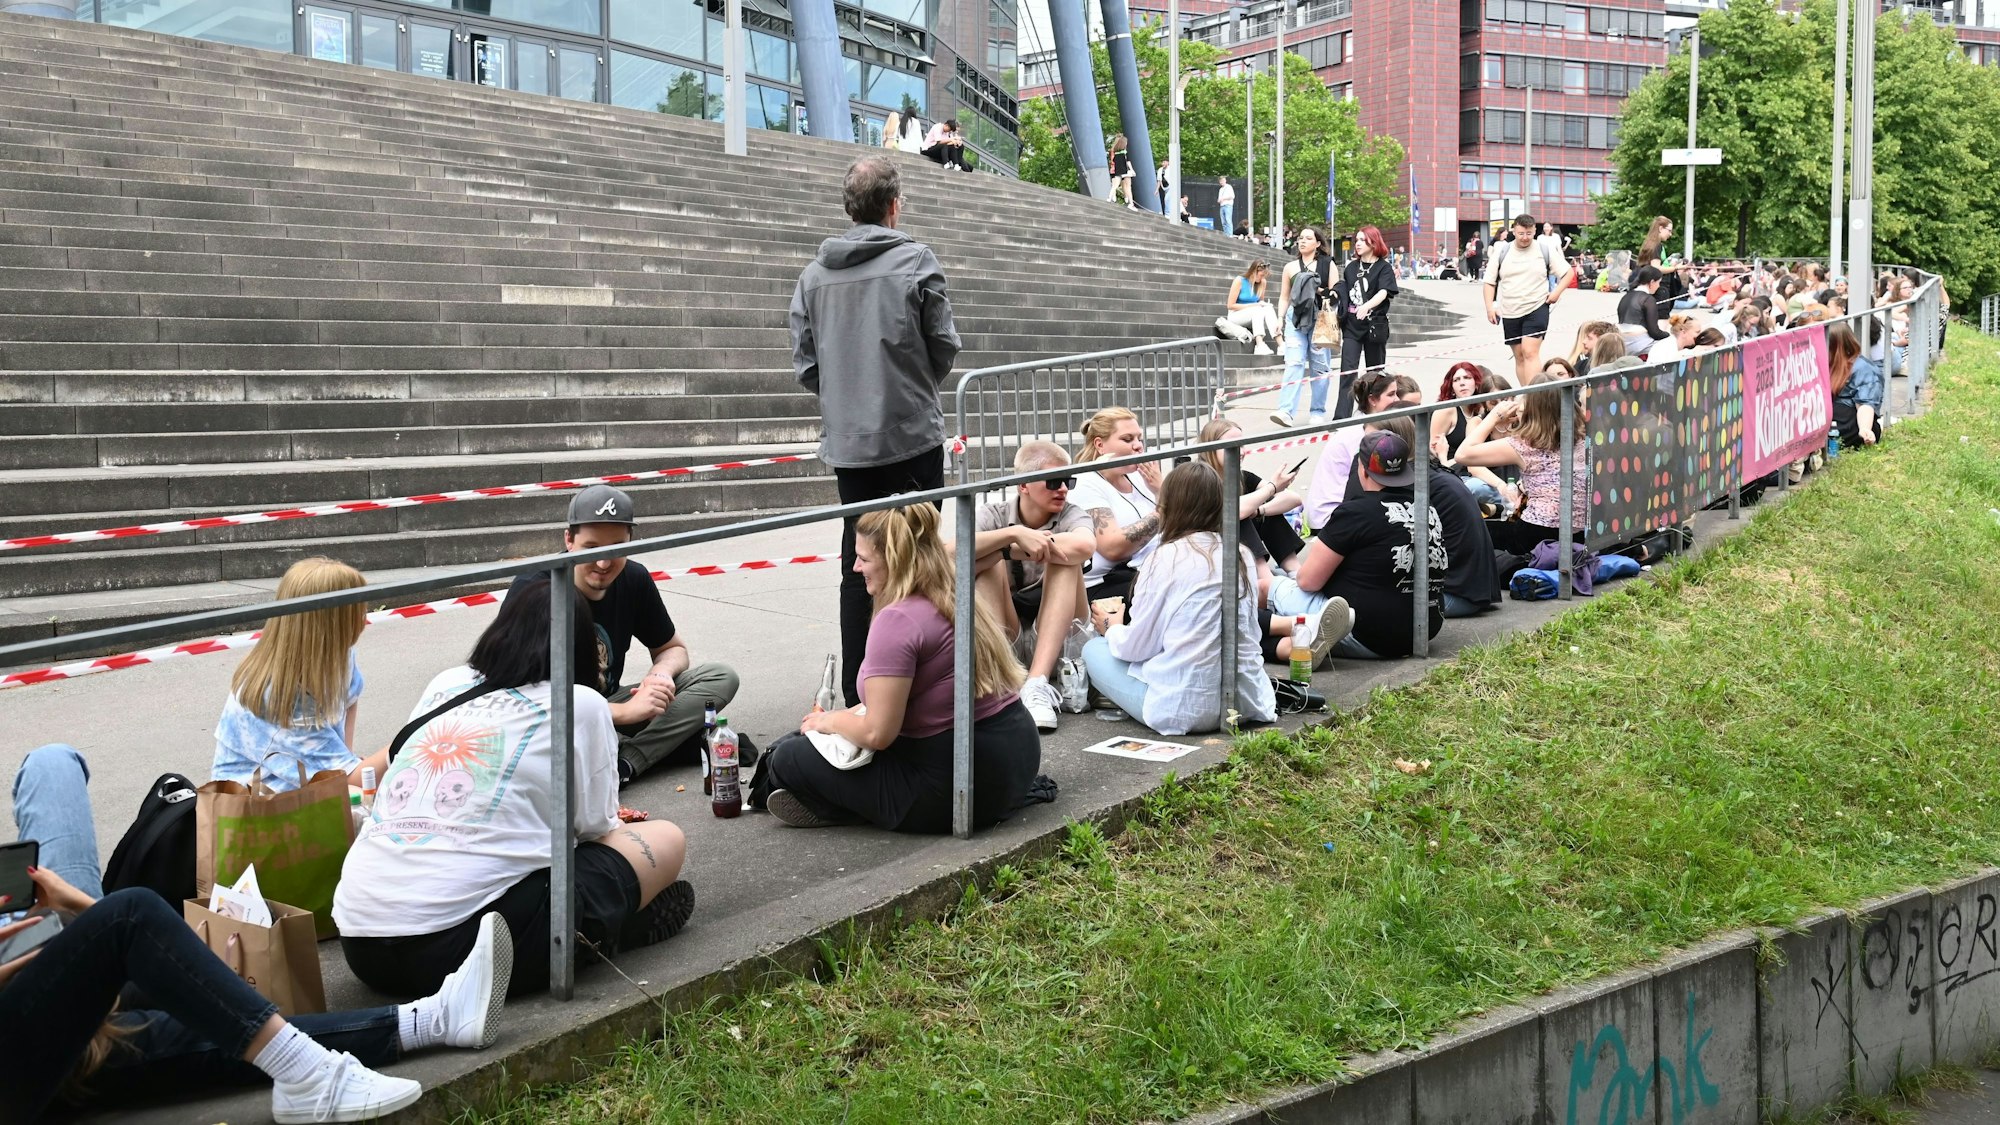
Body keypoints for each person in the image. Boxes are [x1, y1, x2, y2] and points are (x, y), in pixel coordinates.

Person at [3, 746, 501, 1123]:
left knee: (52, 763)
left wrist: (76, 913)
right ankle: (407, 1030)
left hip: (23, 966)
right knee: (134, 923)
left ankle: (428, 1024)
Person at [336, 579, 693, 999]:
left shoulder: (447, 684)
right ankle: (601, 934)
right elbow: (594, 827)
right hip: (458, 952)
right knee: (665, 839)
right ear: (581, 646)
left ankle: (590, 930)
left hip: (361, 948)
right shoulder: (580, 702)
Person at [755, 503, 1041, 831]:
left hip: (959, 784)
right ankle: (842, 800)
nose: (857, 568)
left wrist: (830, 719)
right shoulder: (952, 589)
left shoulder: (898, 619)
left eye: (863, 558)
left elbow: (878, 733)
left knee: (786, 758)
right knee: (815, 738)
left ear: (894, 560)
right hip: (1017, 759)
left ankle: (839, 806)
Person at [792, 157, 960, 705]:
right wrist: (911, 385)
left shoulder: (814, 277)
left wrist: (847, 397)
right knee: (921, 557)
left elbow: (807, 364)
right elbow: (944, 345)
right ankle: (920, 681)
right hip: (911, 433)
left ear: (849, 208)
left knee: (858, 562)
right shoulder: (915, 261)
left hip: (850, 444)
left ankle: (862, 688)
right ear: (894, 206)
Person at [509, 485, 740, 783]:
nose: (604, 564)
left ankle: (625, 763)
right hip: (553, 715)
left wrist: (659, 677)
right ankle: (656, 747)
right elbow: (522, 701)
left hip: (611, 702)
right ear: (569, 540)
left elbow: (672, 648)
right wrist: (626, 713)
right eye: (592, 549)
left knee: (720, 676)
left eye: (616, 549)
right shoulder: (535, 589)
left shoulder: (634, 577)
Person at [1080, 462, 1279, 734]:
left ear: (1169, 506)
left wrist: (1112, 628)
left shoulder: (1164, 558)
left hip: (1184, 708)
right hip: (1249, 701)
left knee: (1093, 650)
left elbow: (1138, 647)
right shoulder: (1241, 553)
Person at [1268, 430, 1444, 660]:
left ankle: (1275, 644)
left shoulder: (1356, 512)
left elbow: (1307, 581)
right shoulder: (1427, 507)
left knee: (1267, 586)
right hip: (1424, 628)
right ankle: (1296, 639)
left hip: (1368, 633)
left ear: (1362, 469)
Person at [211, 557, 377, 792]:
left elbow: (350, 698)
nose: (364, 620)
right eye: (357, 612)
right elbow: (345, 780)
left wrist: (344, 756)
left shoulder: (338, 655)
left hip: (295, 798)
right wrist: (409, 744)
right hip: (257, 816)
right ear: (332, 624)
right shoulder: (280, 695)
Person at [962, 441, 1095, 732]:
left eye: (1068, 481)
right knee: (986, 562)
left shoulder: (1072, 513)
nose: (1063, 489)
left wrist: (1023, 546)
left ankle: (1037, 685)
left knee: (1066, 559)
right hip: (1008, 634)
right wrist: (1011, 540)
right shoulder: (993, 514)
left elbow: (1085, 544)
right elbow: (950, 555)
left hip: (1060, 637)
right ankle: (999, 679)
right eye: (1052, 482)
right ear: (1023, 485)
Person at [1453, 368, 1590, 555]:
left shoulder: (1523, 445)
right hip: (1581, 533)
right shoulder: (1584, 440)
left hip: (1539, 533)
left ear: (1531, 407)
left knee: (1475, 530)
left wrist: (1494, 417)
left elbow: (1463, 454)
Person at [1304, 370, 1420, 532]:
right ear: (1372, 399)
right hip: (1330, 517)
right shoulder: (1362, 433)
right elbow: (1367, 486)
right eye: (1391, 394)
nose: (1397, 400)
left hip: (1339, 509)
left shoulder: (1368, 426)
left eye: (1397, 394)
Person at [1071, 407, 1163, 606]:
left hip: (1148, 571)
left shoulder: (1140, 476)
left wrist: (1161, 489)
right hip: (1106, 588)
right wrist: (1165, 507)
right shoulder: (1085, 482)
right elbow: (1113, 547)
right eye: (1127, 439)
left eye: (1139, 438)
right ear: (1100, 444)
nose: (1138, 446)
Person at [1482, 214, 1575, 386]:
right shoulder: (1502, 251)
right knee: (1519, 356)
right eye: (1521, 233)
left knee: (1530, 352)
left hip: (1537, 306)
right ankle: (1525, 393)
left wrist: (1556, 293)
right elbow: (1489, 282)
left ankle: (1535, 397)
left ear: (1534, 232)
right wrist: (1490, 307)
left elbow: (1568, 273)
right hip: (1510, 309)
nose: (1525, 238)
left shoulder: (1543, 249)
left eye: (1529, 234)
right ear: (1514, 231)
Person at [1333, 225, 1400, 421]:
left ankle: (1376, 415)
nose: (1358, 244)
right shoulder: (1352, 267)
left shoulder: (1383, 267)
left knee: (1376, 373)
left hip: (1374, 325)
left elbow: (1384, 291)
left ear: (1373, 242)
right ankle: (1342, 417)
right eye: (1357, 240)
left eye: (1363, 240)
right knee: (1348, 370)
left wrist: (1368, 306)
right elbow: (1344, 287)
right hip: (1352, 325)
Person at [1270, 226, 1334, 427]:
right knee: (1294, 362)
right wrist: (1279, 318)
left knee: (1320, 366)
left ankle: (1317, 411)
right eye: (1300, 238)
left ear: (1318, 243)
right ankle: (1286, 410)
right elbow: (1284, 296)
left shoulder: (1326, 264)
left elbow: (1335, 292)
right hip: (1295, 319)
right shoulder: (1290, 267)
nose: (1303, 241)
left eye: (1308, 238)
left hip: (1320, 317)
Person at [1429, 362, 1512, 512]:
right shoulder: (1447, 410)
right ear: (1451, 386)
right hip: (1456, 470)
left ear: (1476, 383)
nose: (1462, 383)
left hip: (1487, 471)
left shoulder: (1481, 410)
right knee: (1474, 488)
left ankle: (1496, 508)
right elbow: (1434, 448)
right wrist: (1450, 460)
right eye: (1456, 380)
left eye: (1467, 378)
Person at [1828, 322, 1883, 449]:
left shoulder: (1863, 368)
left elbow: (1864, 404)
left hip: (1849, 422)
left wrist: (1865, 429)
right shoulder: (1822, 364)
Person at [1214, 260, 1281, 355]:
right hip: (1236, 315)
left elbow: (1259, 302)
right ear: (1254, 271)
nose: (1263, 278)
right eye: (1261, 275)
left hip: (1254, 316)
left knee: (1268, 308)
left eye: (1264, 276)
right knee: (1257, 309)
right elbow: (1230, 305)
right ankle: (1259, 344)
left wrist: (1263, 304)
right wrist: (1254, 305)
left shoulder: (1262, 282)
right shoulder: (1239, 280)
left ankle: (1281, 344)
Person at [1617, 265, 1669, 356]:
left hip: (1621, 341)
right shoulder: (1648, 299)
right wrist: (1668, 336)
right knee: (1670, 345)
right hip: (1639, 342)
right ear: (1652, 282)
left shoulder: (1626, 296)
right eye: (1658, 283)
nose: (1659, 286)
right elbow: (1654, 332)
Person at [1108, 134, 1135, 207]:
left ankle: (1110, 197)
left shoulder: (1115, 152)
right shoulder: (1125, 153)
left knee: (1115, 185)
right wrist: (1132, 170)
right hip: (1125, 171)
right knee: (1127, 186)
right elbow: (1128, 161)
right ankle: (1130, 202)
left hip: (1117, 171)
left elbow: (1113, 160)